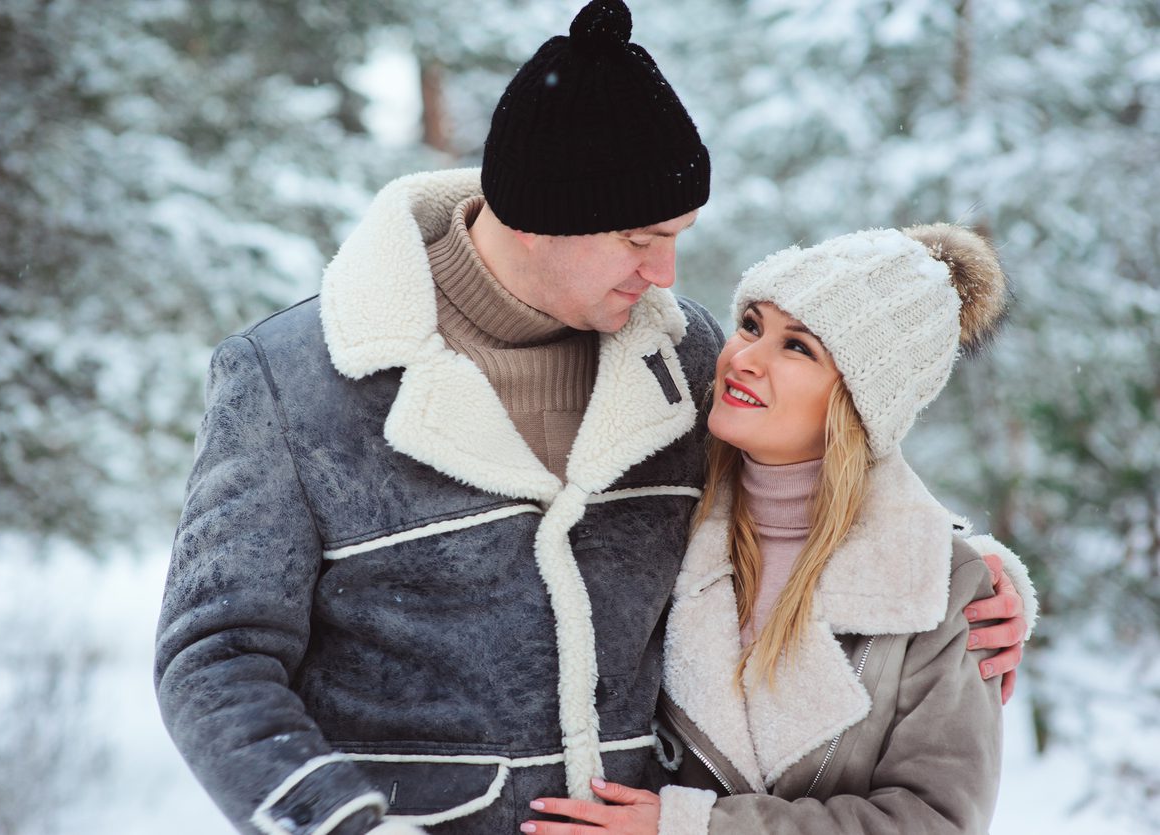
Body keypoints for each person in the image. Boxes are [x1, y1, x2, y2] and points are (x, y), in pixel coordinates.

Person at [153, 2, 1031, 833]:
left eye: (679, 233)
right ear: (539, 218)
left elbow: (812, 475)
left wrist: (968, 581)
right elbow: (216, 657)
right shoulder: (294, 379)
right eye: (640, 238)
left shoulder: (683, 359)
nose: (665, 271)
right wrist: (343, 821)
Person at [521, 224, 1038, 835]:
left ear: (860, 401)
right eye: (750, 324)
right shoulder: (658, 513)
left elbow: (934, 822)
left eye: (797, 348)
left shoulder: (939, 590)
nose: (744, 358)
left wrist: (696, 828)